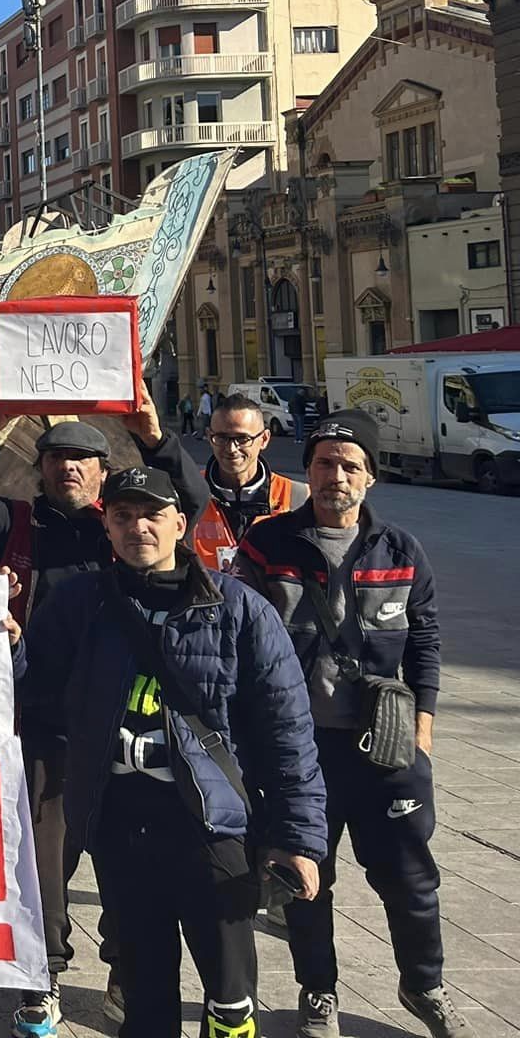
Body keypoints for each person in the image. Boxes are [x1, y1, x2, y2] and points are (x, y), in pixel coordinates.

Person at [0, 368, 203, 1036]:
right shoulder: (16, 524)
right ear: (41, 468)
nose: (68, 470)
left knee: (125, 858)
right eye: (56, 459)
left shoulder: (127, 526)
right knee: (43, 863)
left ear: (103, 469)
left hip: (122, 728)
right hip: (43, 722)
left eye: (81, 460)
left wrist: (157, 437)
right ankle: (44, 976)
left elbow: (191, 504)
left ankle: (122, 964)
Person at [19, 466, 325, 1038]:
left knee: (231, 998)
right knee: (143, 993)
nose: (138, 527)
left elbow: (289, 731)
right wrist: (2, 639)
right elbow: (27, 688)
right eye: (123, 516)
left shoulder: (239, 609)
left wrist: (299, 839)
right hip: (118, 822)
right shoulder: (79, 603)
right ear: (106, 526)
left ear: (180, 524)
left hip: (213, 826)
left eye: (153, 514)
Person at [234, 411, 468, 1038]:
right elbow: (236, 634)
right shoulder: (267, 543)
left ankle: (424, 984)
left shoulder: (401, 550)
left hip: (386, 748)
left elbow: (425, 641)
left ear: (370, 476)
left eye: (349, 465)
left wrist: (422, 729)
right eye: (323, 463)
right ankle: (318, 993)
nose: (335, 476)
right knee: (306, 877)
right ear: (306, 470)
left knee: (411, 877)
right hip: (298, 751)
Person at [192, 392, 308, 571]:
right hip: (210, 597)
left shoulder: (298, 496)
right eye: (222, 438)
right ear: (209, 436)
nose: (231, 449)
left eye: (242, 439)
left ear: (264, 439)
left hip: (271, 598)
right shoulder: (189, 490)